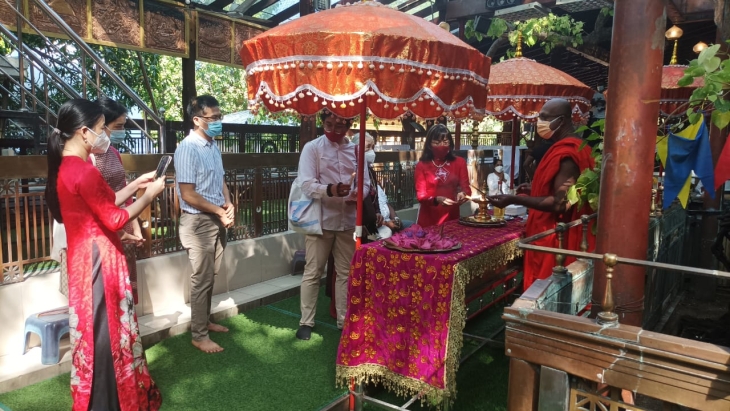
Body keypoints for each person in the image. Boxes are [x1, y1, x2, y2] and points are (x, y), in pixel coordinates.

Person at [45, 99, 164, 411]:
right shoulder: (83, 171)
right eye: (101, 129)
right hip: (99, 261)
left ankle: (105, 397)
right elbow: (114, 218)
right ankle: (111, 401)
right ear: (85, 133)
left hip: (85, 258)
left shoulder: (69, 168)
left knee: (97, 331)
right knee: (107, 332)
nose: (104, 134)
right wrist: (149, 196)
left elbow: (104, 200)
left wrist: (137, 184)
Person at [488, 98, 595, 290]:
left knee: (546, 288)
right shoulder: (577, 146)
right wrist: (534, 189)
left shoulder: (567, 153)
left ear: (561, 121)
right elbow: (563, 190)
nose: (540, 122)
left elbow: (560, 203)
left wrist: (514, 199)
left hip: (554, 231)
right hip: (556, 227)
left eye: (545, 117)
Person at [296, 110, 369, 340]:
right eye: (328, 125)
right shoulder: (313, 148)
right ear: (322, 122)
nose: (333, 131)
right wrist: (330, 190)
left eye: (339, 127)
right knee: (313, 271)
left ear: (349, 125)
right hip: (321, 220)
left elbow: (366, 183)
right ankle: (306, 321)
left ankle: (343, 320)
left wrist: (356, 194)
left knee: (345, 273)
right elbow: (306, 183)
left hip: (347, 220)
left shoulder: (357, 150)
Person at [174, 95, 235, 354]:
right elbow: (187, 194)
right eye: (213, 118)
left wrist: (229, 204)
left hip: (216, 218)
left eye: (220, 117)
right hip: (197, 222)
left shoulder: (212, 146)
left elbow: (220, 181)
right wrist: (218, 211)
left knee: (211, 274)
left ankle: (205, 321)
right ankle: (198, 334)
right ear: (197, 120)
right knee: (202, 278)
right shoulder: (188, 148)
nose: (218, 122)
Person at [91, 97, 149, 304]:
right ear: (100, 124)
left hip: (123, 225)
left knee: (126, 289)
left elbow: (124, 191)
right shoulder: (87, 157)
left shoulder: (114, 152)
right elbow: (99, 202)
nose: (120, 132)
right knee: (107, 292)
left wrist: (135, 226)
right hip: (103, 229)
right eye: (118, 126)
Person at [415, 124, 471, 227]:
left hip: (452, 218)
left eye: (445, 142)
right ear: (429, 145)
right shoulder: (421, 165)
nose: (441, 145)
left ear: (450, 143)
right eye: (437, 142)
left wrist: (463, 194)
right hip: (428, 220)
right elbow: (421, 196)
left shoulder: (460, 162)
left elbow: (466, 189)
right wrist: (436, 200)